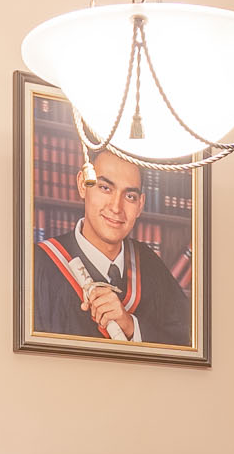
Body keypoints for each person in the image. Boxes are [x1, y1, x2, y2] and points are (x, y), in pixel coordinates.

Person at [35, 145, 194, 346]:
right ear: (83, 185)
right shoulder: (39, 264)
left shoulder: (149, 265)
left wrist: (131, 326)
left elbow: (188, 344)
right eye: (105, 188)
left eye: (130, 196)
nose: (116, 207)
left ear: (140, 205)